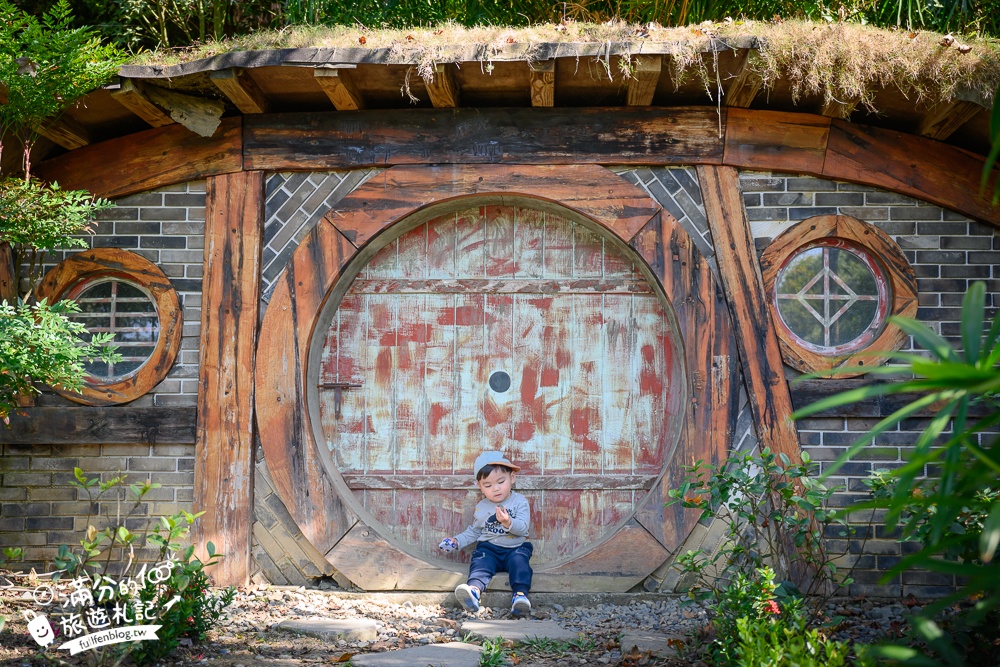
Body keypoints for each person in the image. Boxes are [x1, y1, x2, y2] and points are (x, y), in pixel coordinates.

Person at [438, 451, 533, 616]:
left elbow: (523, 529)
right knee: (480, 563)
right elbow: (475, 531)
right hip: (490, 548)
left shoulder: (519, 502)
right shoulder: (482, 506)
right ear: (479, 486)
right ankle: (473, 592)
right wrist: (456, 541)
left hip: (515, 547)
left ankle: (520, 596)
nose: (495, 489)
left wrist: (507, 522)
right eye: (488, 485)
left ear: (512, 478)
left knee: (520, 564)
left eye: (500, 482)